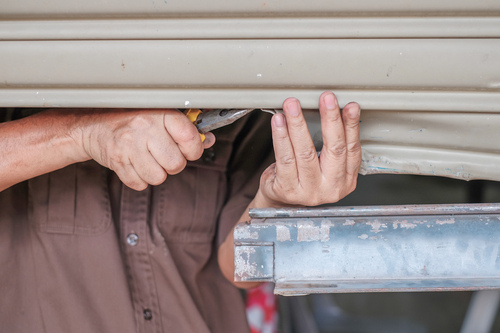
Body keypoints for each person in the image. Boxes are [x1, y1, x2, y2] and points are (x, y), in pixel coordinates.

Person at [0, 91, 361, 333]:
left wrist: (277, 201)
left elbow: (238, 269)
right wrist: (82, 133)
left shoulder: (244, 102)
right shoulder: (24, 73)